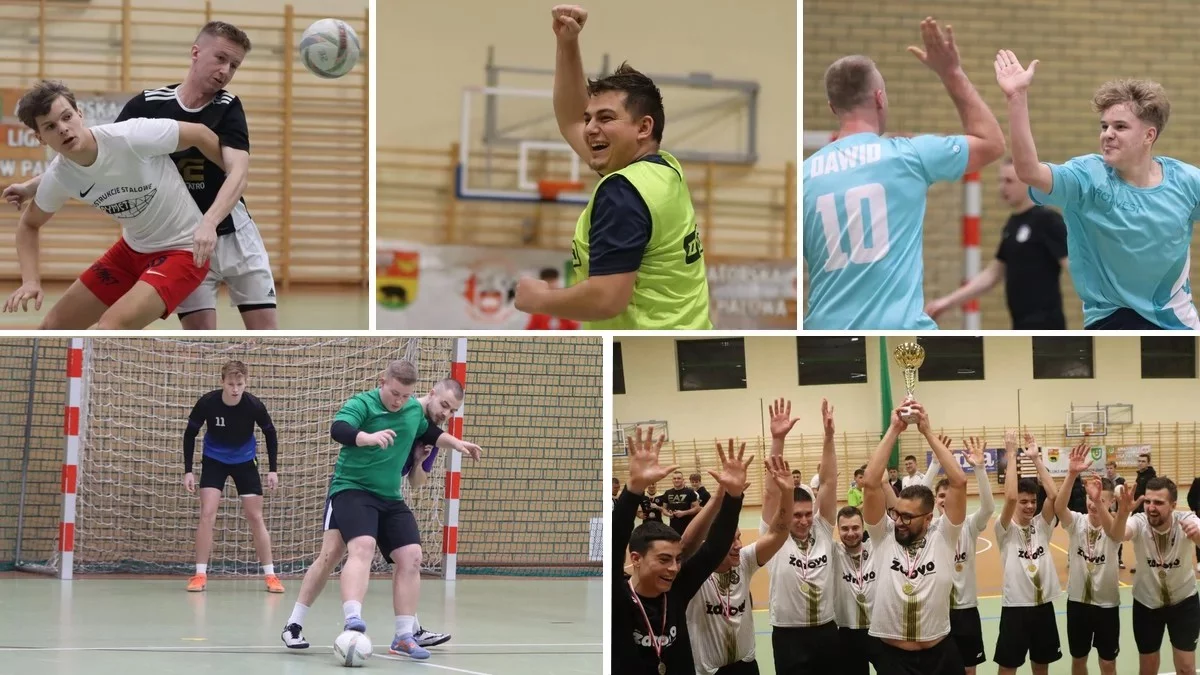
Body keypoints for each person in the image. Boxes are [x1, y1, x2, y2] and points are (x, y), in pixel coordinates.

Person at [3, 22, 277, 330]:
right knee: (197, 339)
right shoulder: (146, 108)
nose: (225, 71)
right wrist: (32, 187)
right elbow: (85, 157)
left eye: (234, 65)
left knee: (265, 334)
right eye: (220, 59)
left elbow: (229, 163)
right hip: (155, 243)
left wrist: (215, 207)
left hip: (206, 234)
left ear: (79, 114)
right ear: (196, 53)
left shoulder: (221, 109)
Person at [513, 5, 711, 330]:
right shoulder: (664, 169)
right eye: (589, 118)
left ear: (643, 127)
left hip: (641, 345)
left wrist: (540, 299)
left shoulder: (623, 193)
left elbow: (607, 299)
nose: (590, 128)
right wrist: (567, 43)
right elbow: (570, 120)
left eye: (605, 118)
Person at [802, 17, 1005, 329]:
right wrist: (951, 72)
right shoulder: (907, 155)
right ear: (879, 98)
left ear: (832, 107)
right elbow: (992, 143)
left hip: (825, 339)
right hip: (900, 337)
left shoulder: (804, 177)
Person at [283, 363, 481, 659]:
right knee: (336, 553)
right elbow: (339, 429)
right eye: (395, 393)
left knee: (412, 556)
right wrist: (366, 437)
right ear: (383, 383)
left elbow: (430, 438)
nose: (399, 401)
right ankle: (326, 622)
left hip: (388, 496)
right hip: (352, 488)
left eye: (405, 396)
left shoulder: (414, 414)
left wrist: (456, 443)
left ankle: (405, 635)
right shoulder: (363, 403)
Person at [995, 49, 1200, 329]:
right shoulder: (1086, 178)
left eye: (1120, 127)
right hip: (1113, 321)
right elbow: (1029, 171)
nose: (1107, 134)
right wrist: (1017, 98)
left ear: (1149, 135)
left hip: (1178, 325)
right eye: (1104, 126)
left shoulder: (1186, 181)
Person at [2, 80, 225, 329]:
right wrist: (31, 281)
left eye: (66, 117)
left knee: (110, 327)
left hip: (184, 250)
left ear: (79, 114)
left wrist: (232, 178)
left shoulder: (130, 136)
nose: (63, 129)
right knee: (51, 329)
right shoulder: (60, 176)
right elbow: (29, 224)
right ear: (40, 138)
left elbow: (200, 134)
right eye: (50, 127)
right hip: (131, 252)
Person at [613, 429, 749, 674]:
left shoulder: (677, 589)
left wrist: (733, 497)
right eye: (664, 559)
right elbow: (614, 543)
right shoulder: (618, 595)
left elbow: (714, 548)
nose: (674, 568)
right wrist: (633, 490)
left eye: (677, 559)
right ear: (636, 559)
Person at [862, 398, 968, 674]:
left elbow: (959, 481)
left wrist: (927, 432)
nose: (899, 521)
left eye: (908, 517)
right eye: (898, 513)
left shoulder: (944, 536)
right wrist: (894, 430)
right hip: (893, 659)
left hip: (940, 655)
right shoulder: (884, 535)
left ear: (929, 518)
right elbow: (871, 482)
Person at [925, 159, 1069, 329]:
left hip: (1047, 326)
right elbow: (992, 274)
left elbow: (1073, 265)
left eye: (1009, 181)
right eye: (1000, 181)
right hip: (1019, 324)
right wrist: (947, 302)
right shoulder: (1012, 224)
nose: (1002, 187)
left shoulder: (1047, 220)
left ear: (1027, 182)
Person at [686, 456, 793, 675]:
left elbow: (778, 533)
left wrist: (788, 494)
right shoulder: (694, 572)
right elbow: (685, 545)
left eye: (739, 538)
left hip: (746, 666)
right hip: (709, 671)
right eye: (730, 541)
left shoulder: (744, 560)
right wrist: (718, 498)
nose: (739, 545)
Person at [182, 360, 280, 592]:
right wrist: (188, 470)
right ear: (222, 382)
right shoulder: (208, 403)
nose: (235, 389)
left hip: (244, 461)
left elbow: (270, 433)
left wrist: (273, 469)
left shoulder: (253, 405)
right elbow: (189, 434)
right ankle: (200, 574)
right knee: (207, 513)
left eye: (240, 384)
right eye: (230, 384)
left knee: (255, 516)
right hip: (214, 460)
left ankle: (271, 575)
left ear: (246, 383)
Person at [762, 397, 841, 673]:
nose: (805, 520)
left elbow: (829, 482)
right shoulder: (775, 536)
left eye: (808, 513)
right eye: (797, 515)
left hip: (826, 629)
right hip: (788, 634)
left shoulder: (822, 529)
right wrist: (778, 440)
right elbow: (771, 493)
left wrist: (829, 437)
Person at [922, 436, 995, 674]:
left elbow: (988, 508)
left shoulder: (969, 525)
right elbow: (916, 497)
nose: (946, 500)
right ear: (935, 501)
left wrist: (980, 469)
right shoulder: (927, 529)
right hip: (936, 610)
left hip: (966, 610)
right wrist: (935, 465)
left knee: (969, 669)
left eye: (950, 494)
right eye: (941, 496)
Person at [1057, 445, 1131, 675]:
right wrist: (1071, 474)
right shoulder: (1077, 522)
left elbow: (1115, 534)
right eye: (1090, 497)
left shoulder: (1115, 526)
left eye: (1100, 499)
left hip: (1107, 605)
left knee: (1107, 663)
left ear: (1110, 503)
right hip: (1078, 602)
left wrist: (1098, 501)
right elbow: (1059, 507)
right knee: (1079, 660)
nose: (1092, 502)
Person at [994, 432, 1064, 674]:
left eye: (1033, 501)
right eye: (1024, 502)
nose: (1030, 506)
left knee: (1041, 666)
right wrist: (1011, 453)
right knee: (1008, 667)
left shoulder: (1042, 526)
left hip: (1043, 606)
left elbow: (1054, 495)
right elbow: (1010, 496)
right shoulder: (1004, 528)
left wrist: (1035, 458)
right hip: (1016, 607)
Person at [1116, 476, 1200, 675]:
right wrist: (1122, 513)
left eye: (1159, 502)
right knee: (1147, 668)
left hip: (1184, 602)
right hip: (1146, 603)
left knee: (1187, 668)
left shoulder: (1187, 519)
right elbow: (1118, 535)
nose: (1151, 507)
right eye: (1148, 501)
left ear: (1173, 505)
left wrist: (1198, 536)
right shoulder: (1138, 521)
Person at [662, 470, 700, 535]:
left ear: (683, 480)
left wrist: (684, 513)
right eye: (674, 478)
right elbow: (664, 509)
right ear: (672, 480)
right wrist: (668, 514)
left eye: (679, 478)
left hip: (687, 527)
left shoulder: (690, 492)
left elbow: (697, 508)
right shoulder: (667, 493)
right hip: (673, 527)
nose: (676, 480)